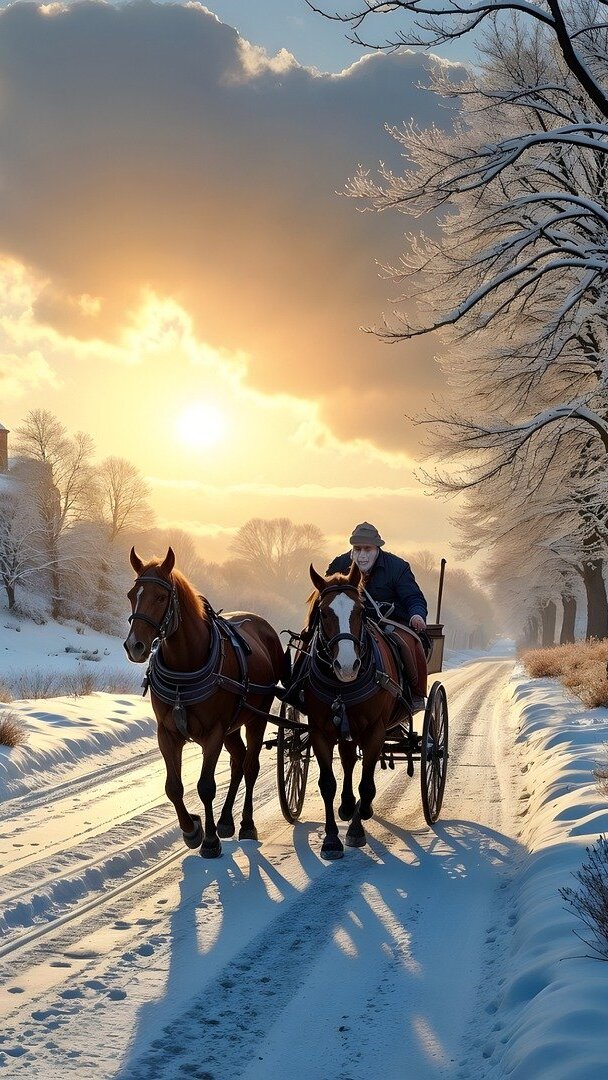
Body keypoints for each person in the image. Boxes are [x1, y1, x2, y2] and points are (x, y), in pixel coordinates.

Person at [327, 522, 428, 710]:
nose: (362, 555)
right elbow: (324, 595)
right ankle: (298, 684)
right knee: (313, 638)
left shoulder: (397, 567)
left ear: (377, 548)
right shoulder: (339, 564)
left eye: (367, 549)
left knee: (405, 642)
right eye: (357, 549)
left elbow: (413, 597)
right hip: (348, 622)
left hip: (388, 622)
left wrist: (417, 615)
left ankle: (415, 692)